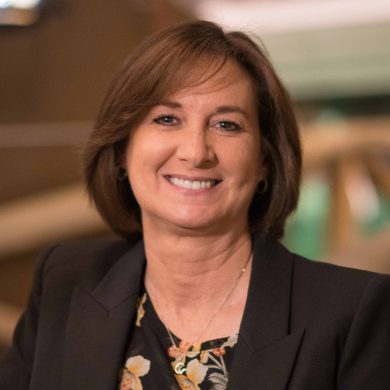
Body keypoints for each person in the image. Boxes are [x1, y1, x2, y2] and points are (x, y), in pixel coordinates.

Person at [1, 20, 389, 390]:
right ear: (122, 148)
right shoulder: (65, 280)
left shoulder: (355, 314)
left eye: (226, 125)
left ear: (265, 162)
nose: (195, 152)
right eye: (167, 119)